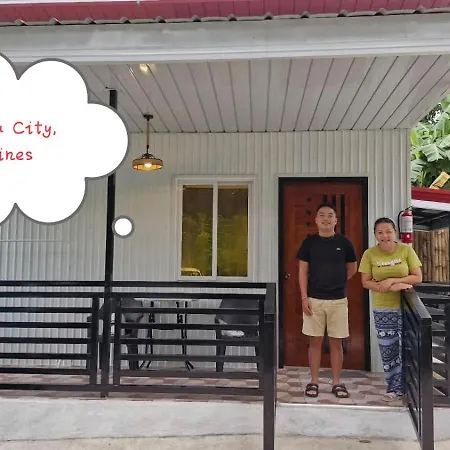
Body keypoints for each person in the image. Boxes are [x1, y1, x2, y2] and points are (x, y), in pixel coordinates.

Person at [297, 203, 357, 399]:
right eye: (321, 215)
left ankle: (337, 382)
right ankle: (314, 381)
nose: (326, 218)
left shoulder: (345, 243)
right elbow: (302, 271)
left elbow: (352, 268)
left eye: (330, 215)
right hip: (314, 299)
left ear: (336, 220)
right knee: (314, 341)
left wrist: (337, 281)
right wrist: (304, 297)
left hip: (338, 300)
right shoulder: (309, 243)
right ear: (316, 220)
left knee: (336, 342)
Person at [358, 217, 422, 402]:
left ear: (395, 232)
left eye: (388, 231)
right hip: (383, 308)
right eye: (380, 232)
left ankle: (411, 387)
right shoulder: (370, 254)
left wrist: (393, 281)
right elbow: (365, 282)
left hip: (407, 307)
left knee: (409, 347)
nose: (384, 235)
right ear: (375, 235)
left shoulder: (406, 250)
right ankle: (393, 387)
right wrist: (384, 287)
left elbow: (417, 277)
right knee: (389, 349)